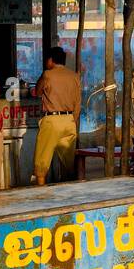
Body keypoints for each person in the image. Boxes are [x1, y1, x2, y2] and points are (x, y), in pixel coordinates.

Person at [34, 46, 80, 185]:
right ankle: (69, 191)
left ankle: (41, 192)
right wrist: (73, 120)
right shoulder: (74, 76)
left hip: (52, 120)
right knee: (68, 162)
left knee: (41, 161)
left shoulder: (48, 74)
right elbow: (78, 103)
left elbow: (37, 91)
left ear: (51, 60)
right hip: (69, 120)